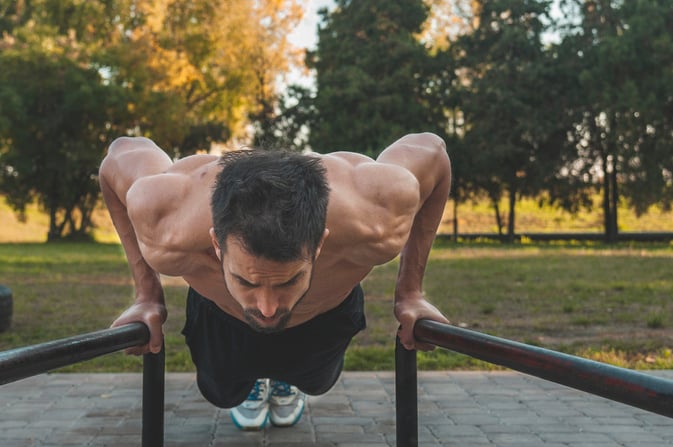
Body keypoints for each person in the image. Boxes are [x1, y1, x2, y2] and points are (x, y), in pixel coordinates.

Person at [100, 133, 451, 430]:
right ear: (216, 245)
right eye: (247, 281)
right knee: (222, 393)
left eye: (287, 281)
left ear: (320, 244)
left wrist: (410, 292)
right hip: (223, 318)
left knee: (317, 381)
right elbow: (120, 155)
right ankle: (254, 372)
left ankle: (286, 378)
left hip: (322, 318)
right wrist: (147, 295)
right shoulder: (169, 217)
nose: (267, 308)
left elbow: (433, 152)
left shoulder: (375, 212)